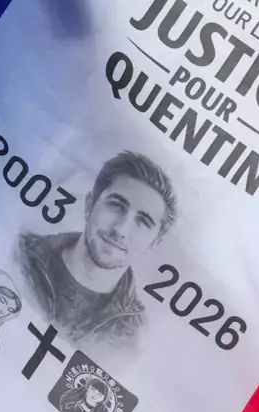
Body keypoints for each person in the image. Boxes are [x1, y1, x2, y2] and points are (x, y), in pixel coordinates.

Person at [17, 151, 177, 359]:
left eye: (143, 221)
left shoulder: (132, 337)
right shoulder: (21, 253)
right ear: (89, 204)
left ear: (154, 243)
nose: (120, 229)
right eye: (117, 206)